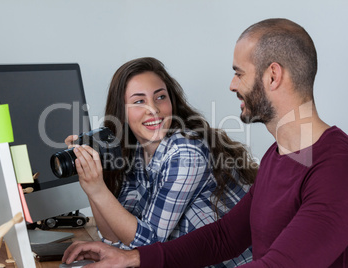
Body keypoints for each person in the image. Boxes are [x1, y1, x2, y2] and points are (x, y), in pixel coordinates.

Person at [62, 18, 348, 268]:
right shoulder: (279, 156)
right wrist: (134, 258)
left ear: (273, 76)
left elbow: (282, 264)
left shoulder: (339, 168)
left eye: (239, 73)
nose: (231, 85)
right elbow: (225, 237)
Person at [64, 57, 258, 267]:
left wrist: (97, 189)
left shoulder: (185, 152)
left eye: (160, 97)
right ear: (122, 111)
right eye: (139, 101)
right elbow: (116, 238)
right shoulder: (136, 153)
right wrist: (90, 178)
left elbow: (148, 247)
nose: (154, 109)